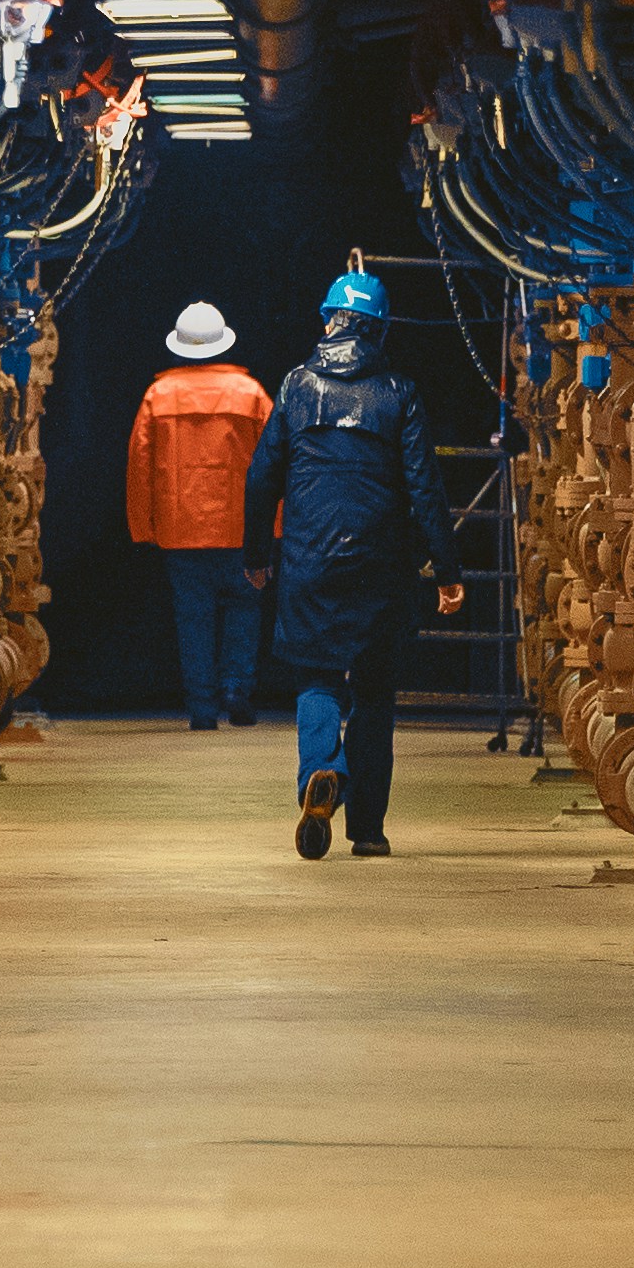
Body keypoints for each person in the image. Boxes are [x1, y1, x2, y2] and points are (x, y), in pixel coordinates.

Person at [242, 267, 466, 860]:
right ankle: (366, 828)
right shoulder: (399, 392)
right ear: (381, 328)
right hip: (381, 567)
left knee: (316, 678)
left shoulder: (294, 386)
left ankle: (323, 770)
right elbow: (424, 487)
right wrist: (446, 570)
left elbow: (261, 477)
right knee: (374, 693)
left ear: (327, 321)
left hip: (309, 562)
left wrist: (256, 556)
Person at [125, 300, 272, 729]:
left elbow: (139, 466)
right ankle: (236, 688)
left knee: (193, 618)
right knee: (245, 609)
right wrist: (277, 525)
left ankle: (202, 708)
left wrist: (142, 525)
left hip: (180, 531)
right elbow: (274, 463)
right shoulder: (251, 394)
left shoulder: (159, 395)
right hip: (242, 529)